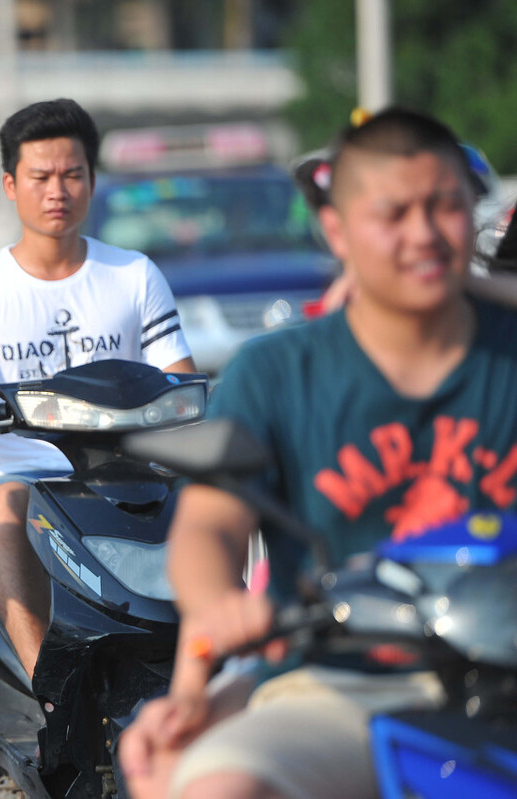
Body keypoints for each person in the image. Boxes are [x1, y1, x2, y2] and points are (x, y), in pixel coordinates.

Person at [118, 107, 517, 799]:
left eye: (445, 208)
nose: (423, 234)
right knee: (223, 788)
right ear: (336, 227)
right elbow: (209, 526)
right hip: (338, 688)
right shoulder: (275, 371)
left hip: (505, 676)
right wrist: (218, 604)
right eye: (393, 214)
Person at [0, 98, 196, 679]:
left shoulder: (134, 274)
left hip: (131, 473)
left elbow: (181, 384)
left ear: (92, 181)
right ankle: (46, 681)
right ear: (9, 184)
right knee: (4, 505)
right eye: (40, 176)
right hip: (23, 475)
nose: (57, 190)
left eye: (72, 174)